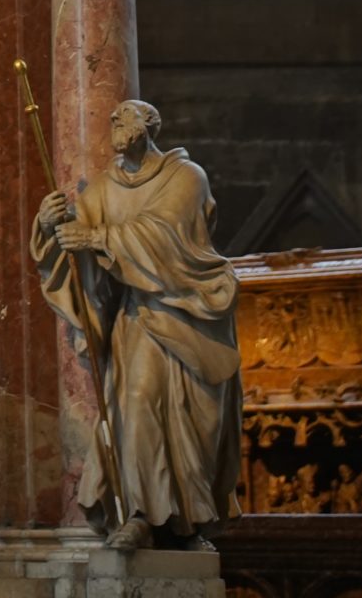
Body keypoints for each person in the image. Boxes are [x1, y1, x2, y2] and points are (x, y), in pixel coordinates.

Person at [31, 98, 242, 553]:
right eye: (113, 118)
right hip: (137, 321)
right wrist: (51, 227)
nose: (115, 123)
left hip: (186, 314)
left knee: (189, 425)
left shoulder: (186, 177)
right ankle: (142, 512)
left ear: (150, 126)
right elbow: (75, 238)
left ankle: (185, 520)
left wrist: (98, 238)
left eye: (126, 117)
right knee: (136, 400)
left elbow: (166, 235)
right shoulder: (104, 188)